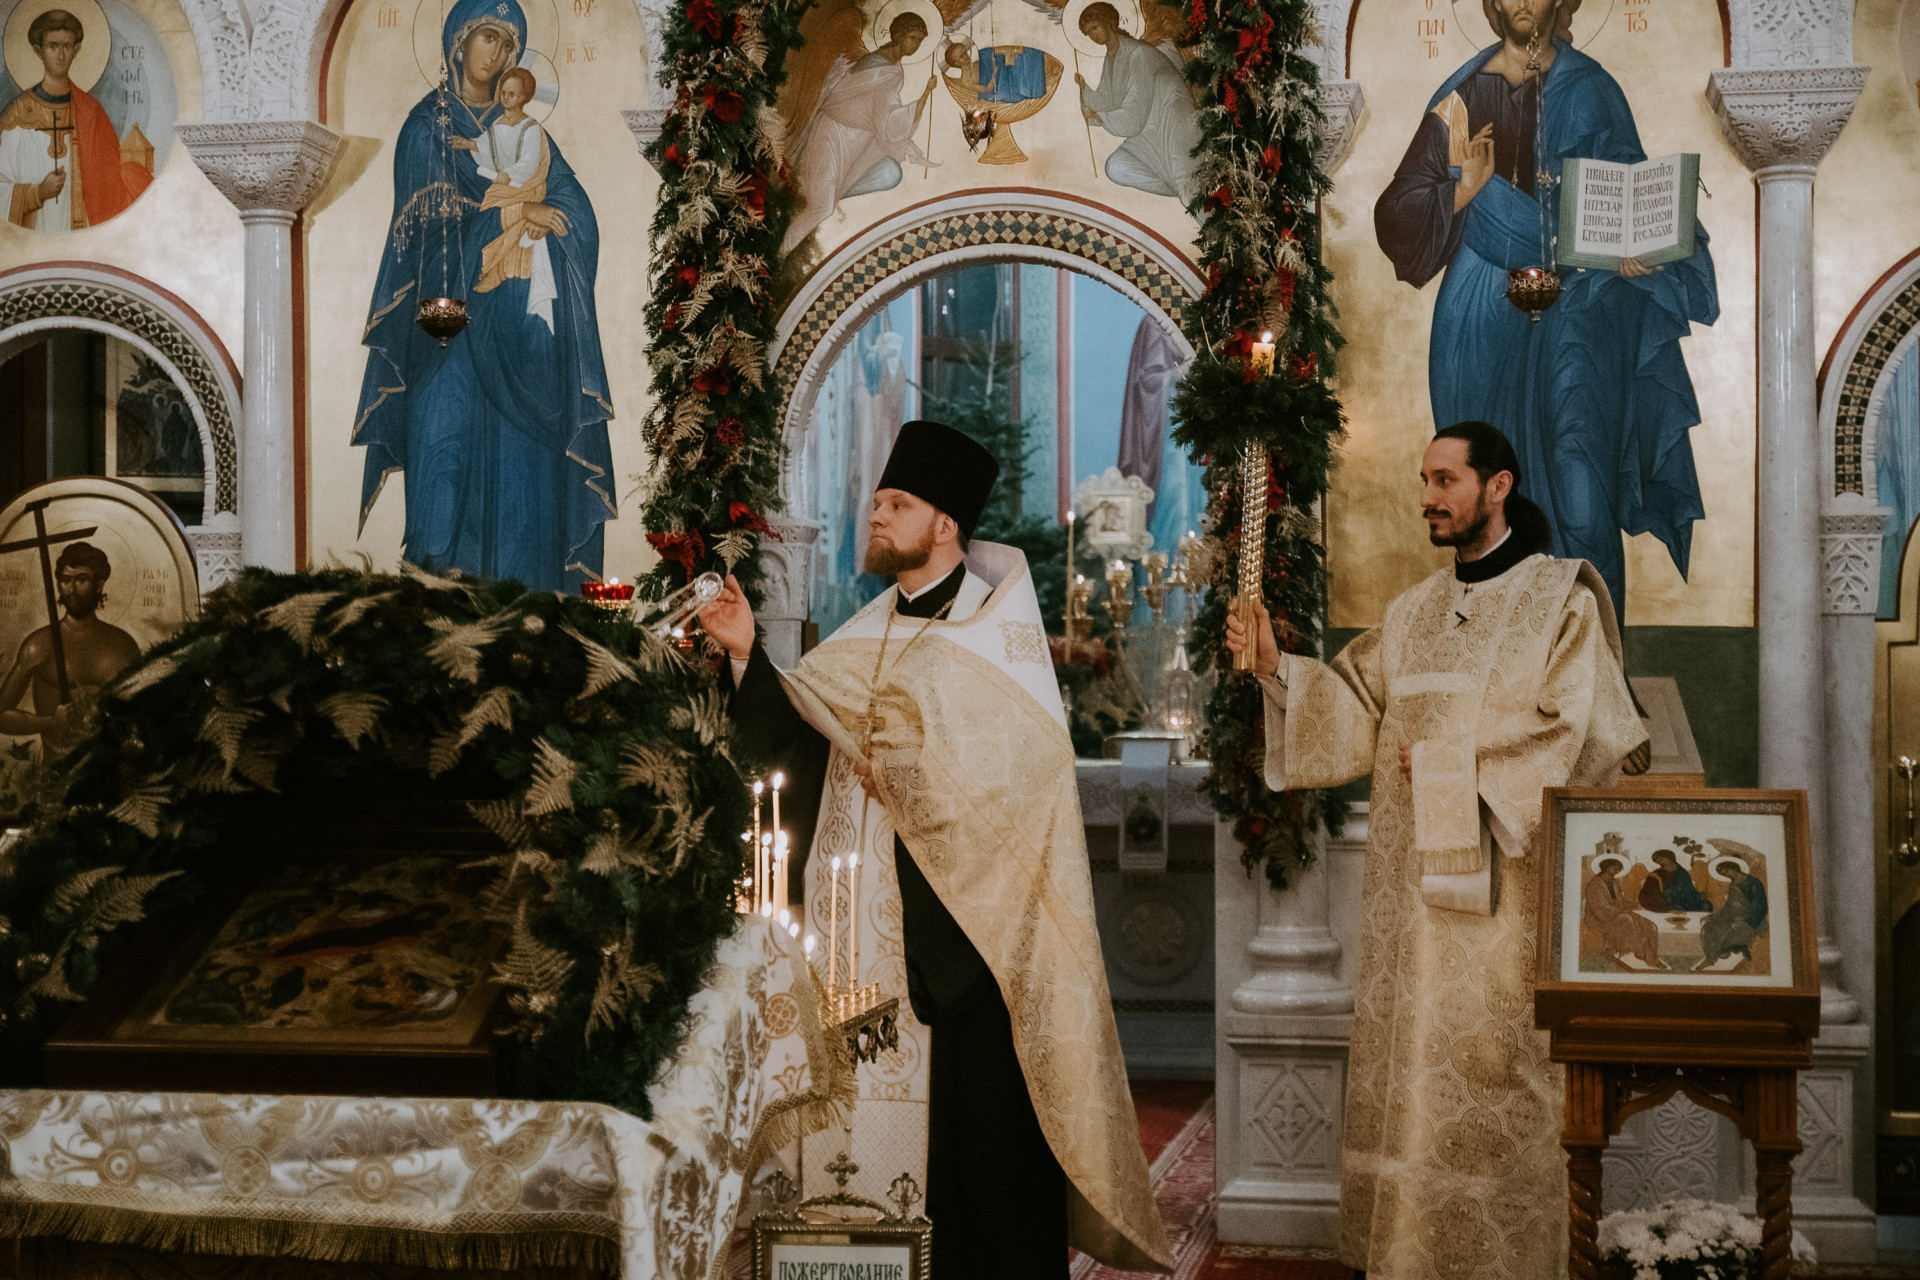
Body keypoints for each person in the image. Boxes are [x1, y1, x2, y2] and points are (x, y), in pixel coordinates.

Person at [699, 420, 1170, 1278]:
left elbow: (1025, 783)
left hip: (958, 947)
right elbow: (800, 741)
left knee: (968, 1171)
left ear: (945, 524)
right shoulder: (866, 631)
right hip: (851, 945)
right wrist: (745, 657)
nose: (875, 515)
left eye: (897, 504)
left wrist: (911, 777)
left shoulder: (1000, 640)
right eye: (877, 501)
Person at [1226, 420, 1647, 1280]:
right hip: (1408, 907)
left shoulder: (1560, 601)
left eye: (1446, 480)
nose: (1429, 497)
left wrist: (1459, 766)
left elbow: (1585, 738)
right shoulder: (1412, 611)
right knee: (1410, 1083)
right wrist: (1277, 668)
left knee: (1498, 1078)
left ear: (1499, 485)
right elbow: (1351, 709)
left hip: (1504, 911)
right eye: (1424, 480)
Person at [1373, 0, 1718, 623]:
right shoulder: (1460, 96)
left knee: (1582, 488)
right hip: (1480, 310)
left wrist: (1639, 249)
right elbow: (1398, 210)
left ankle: (1593, 659)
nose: (1523, 1)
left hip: (1578, 310)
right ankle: (1495, 652)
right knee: (1485, 491)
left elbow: (1634, 191)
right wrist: (1463, 190)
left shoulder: (1592, 89)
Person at [353, 0, 613, 591]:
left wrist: (546, 220)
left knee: (523, 476)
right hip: (447, 334)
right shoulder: (426, 128)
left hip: (519, 336)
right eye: (487, 38)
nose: (496, 55)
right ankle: (435, 604)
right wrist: (515, 214)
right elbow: (422, 235)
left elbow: (575, 211)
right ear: (458, 42)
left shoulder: (528, 132)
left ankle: (527, 613)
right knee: (442, 456)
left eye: (507, 46)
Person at [780, 14, 937, 255]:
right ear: (898, 35)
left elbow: (884, 116)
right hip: (835, 132)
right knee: (822, 207)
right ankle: (780, 254)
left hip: (857, 141)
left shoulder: (895, 70)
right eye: (913, 37)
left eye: (920, 40)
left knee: (890, 173)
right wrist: (924, 95)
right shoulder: (875, 64)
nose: (915, 45)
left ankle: (827, 199)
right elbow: (881, 114)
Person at [0, 9, 151, 231]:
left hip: (83, 232)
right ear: (38, 50)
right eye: (53, 46)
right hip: (34, 236)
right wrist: (37, 193)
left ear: (76, 49)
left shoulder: (92, 113)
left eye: (67, 46)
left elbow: (109, 184)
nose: (60, 55)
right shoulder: (16, 116)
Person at [0, 542, 140, 753]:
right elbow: (1, 715)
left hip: (108, 767)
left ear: (99, 585)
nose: (71, 589)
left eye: (81, 580)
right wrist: (50, 722)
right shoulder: (40, 644)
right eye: (66, 580)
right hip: (54, 767)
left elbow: (142, 715)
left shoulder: (123, 646)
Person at [1074, 2, 1200, 202]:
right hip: (1148, 132)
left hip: (1170, 124)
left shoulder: (1137, 53)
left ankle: (1184, 185)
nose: (1093, 36)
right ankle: (1176, 184)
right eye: (1088, 33)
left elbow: (1135, 106)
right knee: (1116, 167)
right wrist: (1085, 90)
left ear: (1109, 23)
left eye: (1095, 28)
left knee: (1188, 187)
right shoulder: (1111, 57)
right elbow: (1109, 99)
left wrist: (1098, 115)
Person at [1582, 856, 1662, 969]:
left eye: (1619, 867)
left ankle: (1652, 956)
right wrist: (1622, 911)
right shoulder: (1594, 884)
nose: (1618, 869)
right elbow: (1600, 909)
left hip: (1617, 914)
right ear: (1606, 866)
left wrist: (1632, 905)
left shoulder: (1614, 883)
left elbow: (1620, 903)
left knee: (1649, 925)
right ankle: (1639, 952)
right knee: (1626, 919)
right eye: (1615, 866)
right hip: (1599, 919)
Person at [1700, 860, 1768, 966]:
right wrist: (1714, 916)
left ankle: (1723, 951)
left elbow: (1760, 906)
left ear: (1732, 869)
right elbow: (1729, 906)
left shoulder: (1754, 883)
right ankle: (1711, 958)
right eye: (1723, 874)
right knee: (1707, 928)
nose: (1725, 875)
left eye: (1725, 872)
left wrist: (1747, 920)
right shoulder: (1733, 885)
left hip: (1750, 919)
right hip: (1732, 917)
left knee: (1735, 928)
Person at [1638, 847, 1708, 912]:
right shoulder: (1654, 876)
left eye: (1661, 859)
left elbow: (1690, 890)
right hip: (1665, 905)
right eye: (1656, 860)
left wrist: (1699, 896)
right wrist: (1668, 908)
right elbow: (1651, 896)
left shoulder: (1683, 873)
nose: (1658, 861)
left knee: (1707, 905)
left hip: (1684, 904)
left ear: (1670, 859)